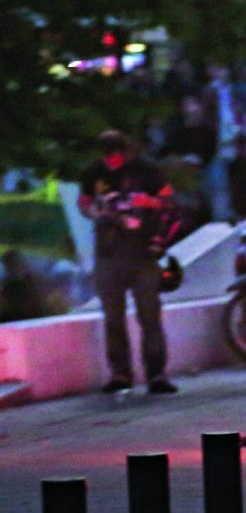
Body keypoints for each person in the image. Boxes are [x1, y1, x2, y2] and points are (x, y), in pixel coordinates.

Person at [79, 130, 177, 394]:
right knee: (113, 317)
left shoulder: (146, 170)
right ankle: (120, 374)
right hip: (109, 250)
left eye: (116, 154)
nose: (112, 160)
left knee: (150, 315)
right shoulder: (93, 173)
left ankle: (156, 373)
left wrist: (150, 202)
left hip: (143, 251)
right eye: (107, 155)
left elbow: (168, 200)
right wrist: (97, 211)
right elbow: (84, 202)